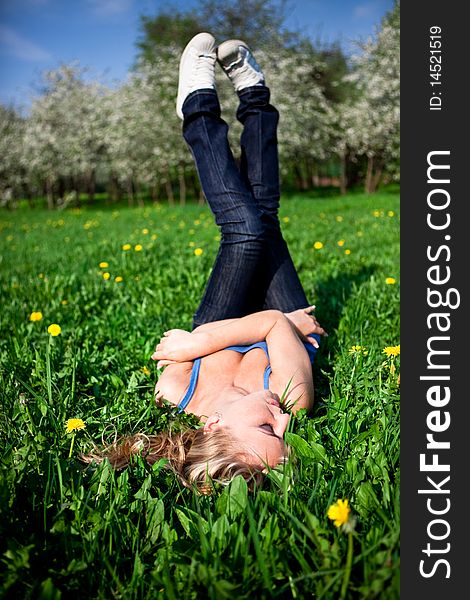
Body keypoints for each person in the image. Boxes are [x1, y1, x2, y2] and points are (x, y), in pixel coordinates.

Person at [82, 33, 327, 491]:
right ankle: (254, 98)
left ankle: (198, 107)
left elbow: (276, 325)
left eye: (264, 430)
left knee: (246, 231)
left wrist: (280, 325)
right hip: (274, 319)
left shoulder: (176, 393)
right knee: (265, 220)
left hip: (258, 321)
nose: (282, 424)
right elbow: (273, 324)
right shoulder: (294, 401)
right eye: (284, 438)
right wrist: (271, 325)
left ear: (213, 426)